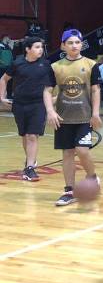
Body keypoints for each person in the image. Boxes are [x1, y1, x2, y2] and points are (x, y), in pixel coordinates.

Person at [43, 29, 102, 206]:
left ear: (81, 44)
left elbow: (95, 90)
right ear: (63, 46)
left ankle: (92, 177)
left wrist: (95, 113)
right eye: (70, 43)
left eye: (77, 42)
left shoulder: (91, 64)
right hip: (63, 118)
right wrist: (50, 111)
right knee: (67, 153)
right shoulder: (55, 67)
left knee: (82, 150)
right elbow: (47, 91)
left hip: (84, 117)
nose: (74, 45)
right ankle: (69, 191)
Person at [0, 36, 52, 181]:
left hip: (38, 104)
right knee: (24, 135)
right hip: (19, 104)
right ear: (28, 49)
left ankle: (29, 168)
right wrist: (2, 97)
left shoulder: (45, 64)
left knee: (32, 135)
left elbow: (52, 84)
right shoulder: (17, 63)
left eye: (41, 47)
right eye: (37, 47)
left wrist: (52, 99)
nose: (40, 50)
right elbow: (4, 79)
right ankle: (30, 160)